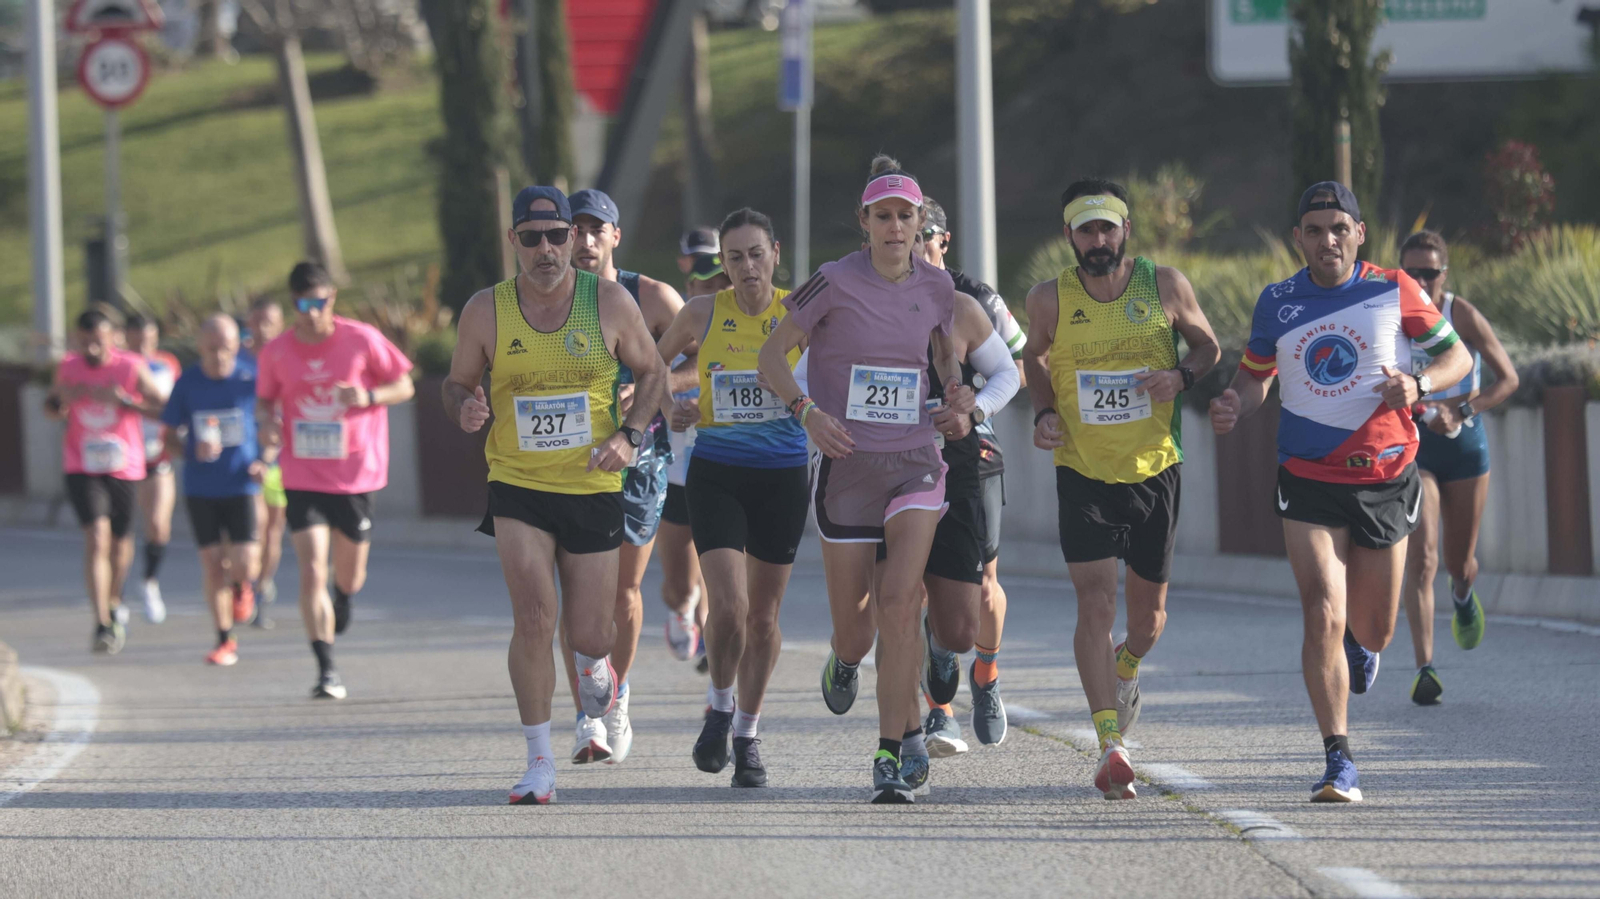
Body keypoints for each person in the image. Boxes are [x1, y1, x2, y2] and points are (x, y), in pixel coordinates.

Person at [1210, 182, 1470, 802]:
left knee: (1375, 628)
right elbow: (1255, 379)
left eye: (1338, 228)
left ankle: (1362, 643)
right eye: (1314, 229)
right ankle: (1339, 761)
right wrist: (1232, 403)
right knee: (1323, 605)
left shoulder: (1393, 289)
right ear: (1298, 238)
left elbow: (1456, 357)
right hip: (1307, 476)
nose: (1327, 239)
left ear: (1358, 234)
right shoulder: (1278, 302)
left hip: (1385, 476)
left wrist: (1419, 382)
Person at [443, 185, 668, 805]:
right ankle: (539, 760)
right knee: (535, 618)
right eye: (532, 237)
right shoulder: (486, 311)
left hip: (593, 481)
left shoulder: (612, 303)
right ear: (513, 242)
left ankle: (601, 675)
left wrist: (628, 435)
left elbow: (652, 373)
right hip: (517, 483)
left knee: (590, 635)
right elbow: (456, 380)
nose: (546, 249)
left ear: (573, 239)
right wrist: (464, 403)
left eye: (557, 235)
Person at [758, 155, 965, 804]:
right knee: (859, 628)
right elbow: (771, 356)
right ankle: (845, 659)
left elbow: (943, 349)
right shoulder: (833, 281)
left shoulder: (937, 286)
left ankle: (895, 748)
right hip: (847, 465)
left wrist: (955, 392)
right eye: (884, 217)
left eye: (907, 216)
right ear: (865, 223)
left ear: (918, 221)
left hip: (914, 458)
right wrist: (807, 413)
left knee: (902, 600)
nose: (896, 227)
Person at [1023, 178, 1220, 800]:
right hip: (1081, 469)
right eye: (1087, 230)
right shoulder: (1048, 298)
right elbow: (1033, 357)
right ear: (1070, 236)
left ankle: (1126, 666)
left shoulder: (1163, 285)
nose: (1098, 241)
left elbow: (1210, 346)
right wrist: (1045, 412)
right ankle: (1110, 742)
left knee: (1148, 618)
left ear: (1124, 230)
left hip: (1155, 466)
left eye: (1108, 228)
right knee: (1094, 604)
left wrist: (1179, 375)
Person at [653, 208, 810, 787]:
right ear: (725, 262)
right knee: (729, 608)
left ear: (775, 253)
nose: (747, 267)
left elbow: (838, 368)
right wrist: (673, 407)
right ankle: (719, 706)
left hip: (783, 476)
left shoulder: (800, 310)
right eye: (735, 257)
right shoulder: (701, 312)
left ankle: (747, 732)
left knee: (765, 619)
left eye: (756, 254)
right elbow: (652, 366)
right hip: (716, 470)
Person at [553, 188, 691, 765]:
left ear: (615, 237)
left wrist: (656, 387)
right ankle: (587, 713)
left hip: (638, 460)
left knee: (623, 590)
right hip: (565, 461)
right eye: (572, 230)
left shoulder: (652, 297)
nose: (583, 241)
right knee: (576, 594)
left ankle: (617, 696)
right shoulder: (545, 298)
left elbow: (699, 358)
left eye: (595, 229)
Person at [255, 262, 415, 700]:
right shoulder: (277, 352)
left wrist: (368, 396)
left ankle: (343, 598)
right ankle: (326, 668)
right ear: (293, 304)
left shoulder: (361, 339)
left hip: (356, 474)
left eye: (320, 303)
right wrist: (267, 426)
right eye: (304, 305)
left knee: (350, 575)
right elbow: (264, 402)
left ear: (332, 300)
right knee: (310, 569)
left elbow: (405, 385)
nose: (312, 313)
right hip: (302, 474)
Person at [914, 197, 1027, 752]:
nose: (917, 248)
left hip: (974, 450)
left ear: (944, 239)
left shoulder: (975, 297)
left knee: (982, 585)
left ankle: (986, 673)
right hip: (907, 455)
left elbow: (1019, 367)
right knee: (917, 588)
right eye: (908, 235)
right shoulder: (879, 296)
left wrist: (971, 404)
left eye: (926, 236)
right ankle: (938, 710)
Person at [1398, 230, 1516, 704]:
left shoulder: (1459, 314)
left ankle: (1464, 594)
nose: (1421, 281)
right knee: (1423, 557)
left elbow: (1508, 378)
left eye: (1430, 272)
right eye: (1412, 273)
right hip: (1418, 446)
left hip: (1465, 446)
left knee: (1457, 563)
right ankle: (1425, 667)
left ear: (1445, 274)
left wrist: (1462, 411)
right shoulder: (1391, 313)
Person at [47, 310, 166, 654]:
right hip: (82, 465)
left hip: (124, 466)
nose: (92, 348)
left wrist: (126, 402)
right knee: (96, 538)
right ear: (76, 339)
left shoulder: (129, 367)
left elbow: (164, 407)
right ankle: (101, 622)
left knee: (120, 544)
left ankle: (114, 599)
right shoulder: (69, 367)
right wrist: (63, 401)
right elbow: (50, 408)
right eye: (85, 342)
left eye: (98, 341)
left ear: (113, 337)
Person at [161, 315, 264, 666]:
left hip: (242, 482)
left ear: (237, 346)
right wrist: (191, 450)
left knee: (244, 561)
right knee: (212, 565)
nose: (219, 355)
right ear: (200, 346)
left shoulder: (252, 377)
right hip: (201, 486)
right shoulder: (187, 382)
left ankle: (243, 586)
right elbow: (169, 435)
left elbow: (273, 423)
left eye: (226, 348)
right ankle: (224, 639)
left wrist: (266, 459)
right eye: (211, 348)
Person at [661, 249, 731, 672]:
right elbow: (652, 377)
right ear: (690, 290)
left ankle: (714, 646)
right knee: (678, 585)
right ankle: (683, 609)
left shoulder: (744, 333)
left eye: (724, 284)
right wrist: (670, 404)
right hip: (676, 476)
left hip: (727, 468)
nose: (718, 293)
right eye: (708, 285)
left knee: (724, 573)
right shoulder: (674, 334)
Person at [125, 313, 181, 624]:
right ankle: (114, 595)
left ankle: (149, 581)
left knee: (158, 525)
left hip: (157, 455)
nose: (144, 344)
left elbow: (173, 405)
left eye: (150, 338)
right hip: (122, 456)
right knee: (119, 532)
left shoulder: (168, 363)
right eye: (138, 338)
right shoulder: (119, 365)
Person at [243, 296, 288, 624]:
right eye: (256, 322)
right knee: (253, 529)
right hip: (246, 458)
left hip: (283, 458)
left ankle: (262, 586)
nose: (262, 329)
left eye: (268, 323)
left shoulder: (288, 357)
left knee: (273, 531)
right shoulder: (237, 360)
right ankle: (247, 586)